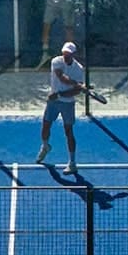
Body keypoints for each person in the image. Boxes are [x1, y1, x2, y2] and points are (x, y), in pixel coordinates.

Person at [35, 39, 85, 167]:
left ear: (73, 54)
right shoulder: (56, 61)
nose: (65, 55)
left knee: (68, 131)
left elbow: (75, 93)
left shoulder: (78, 69)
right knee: (46, 125)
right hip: (53, 101)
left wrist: (60, 94)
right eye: (64, 53)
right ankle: (45, 146)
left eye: (68, 54)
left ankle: (72, 162)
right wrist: (76, 84)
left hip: (67, 103)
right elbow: (60, 76)